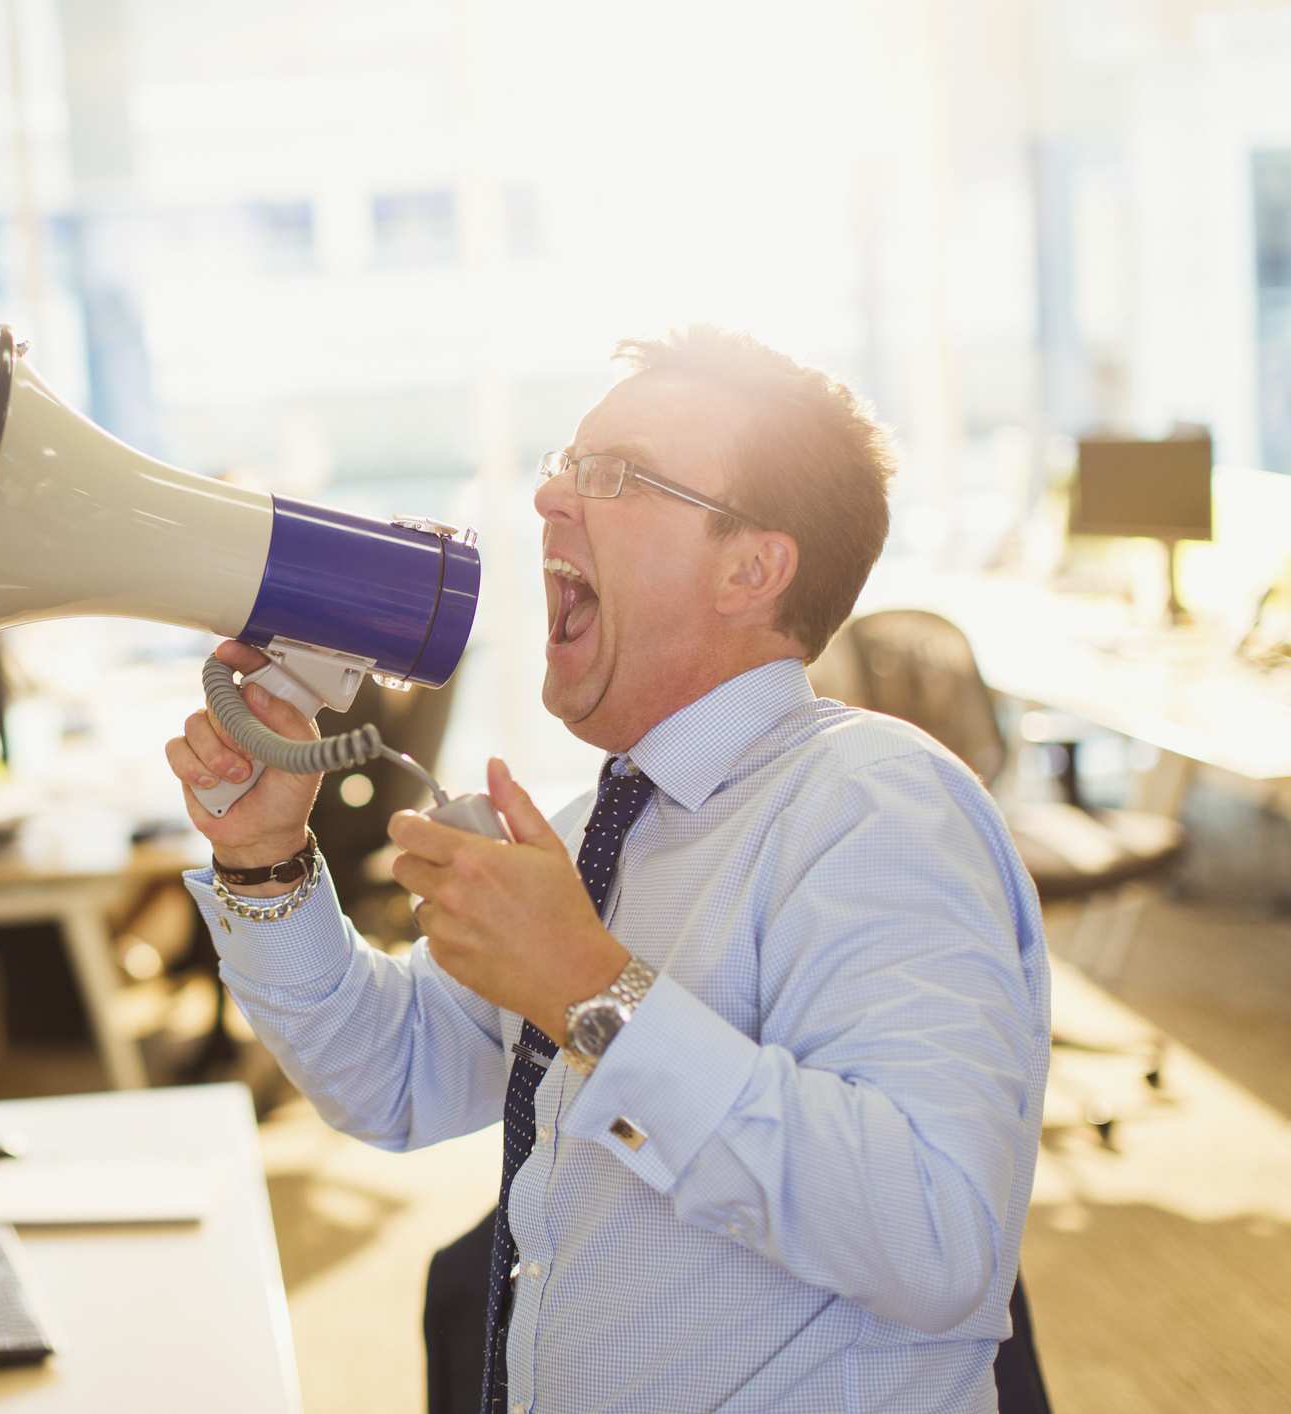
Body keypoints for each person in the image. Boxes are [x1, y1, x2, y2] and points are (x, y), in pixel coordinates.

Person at [165, 328, 1049, 1413]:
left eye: (616, 475)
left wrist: (592, 990)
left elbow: (940, 1229)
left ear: (752, 569)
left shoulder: (873, 801)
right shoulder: (600, 828)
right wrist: (266, 863)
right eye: (564, 465)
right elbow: (393, 1076)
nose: (550, 503)